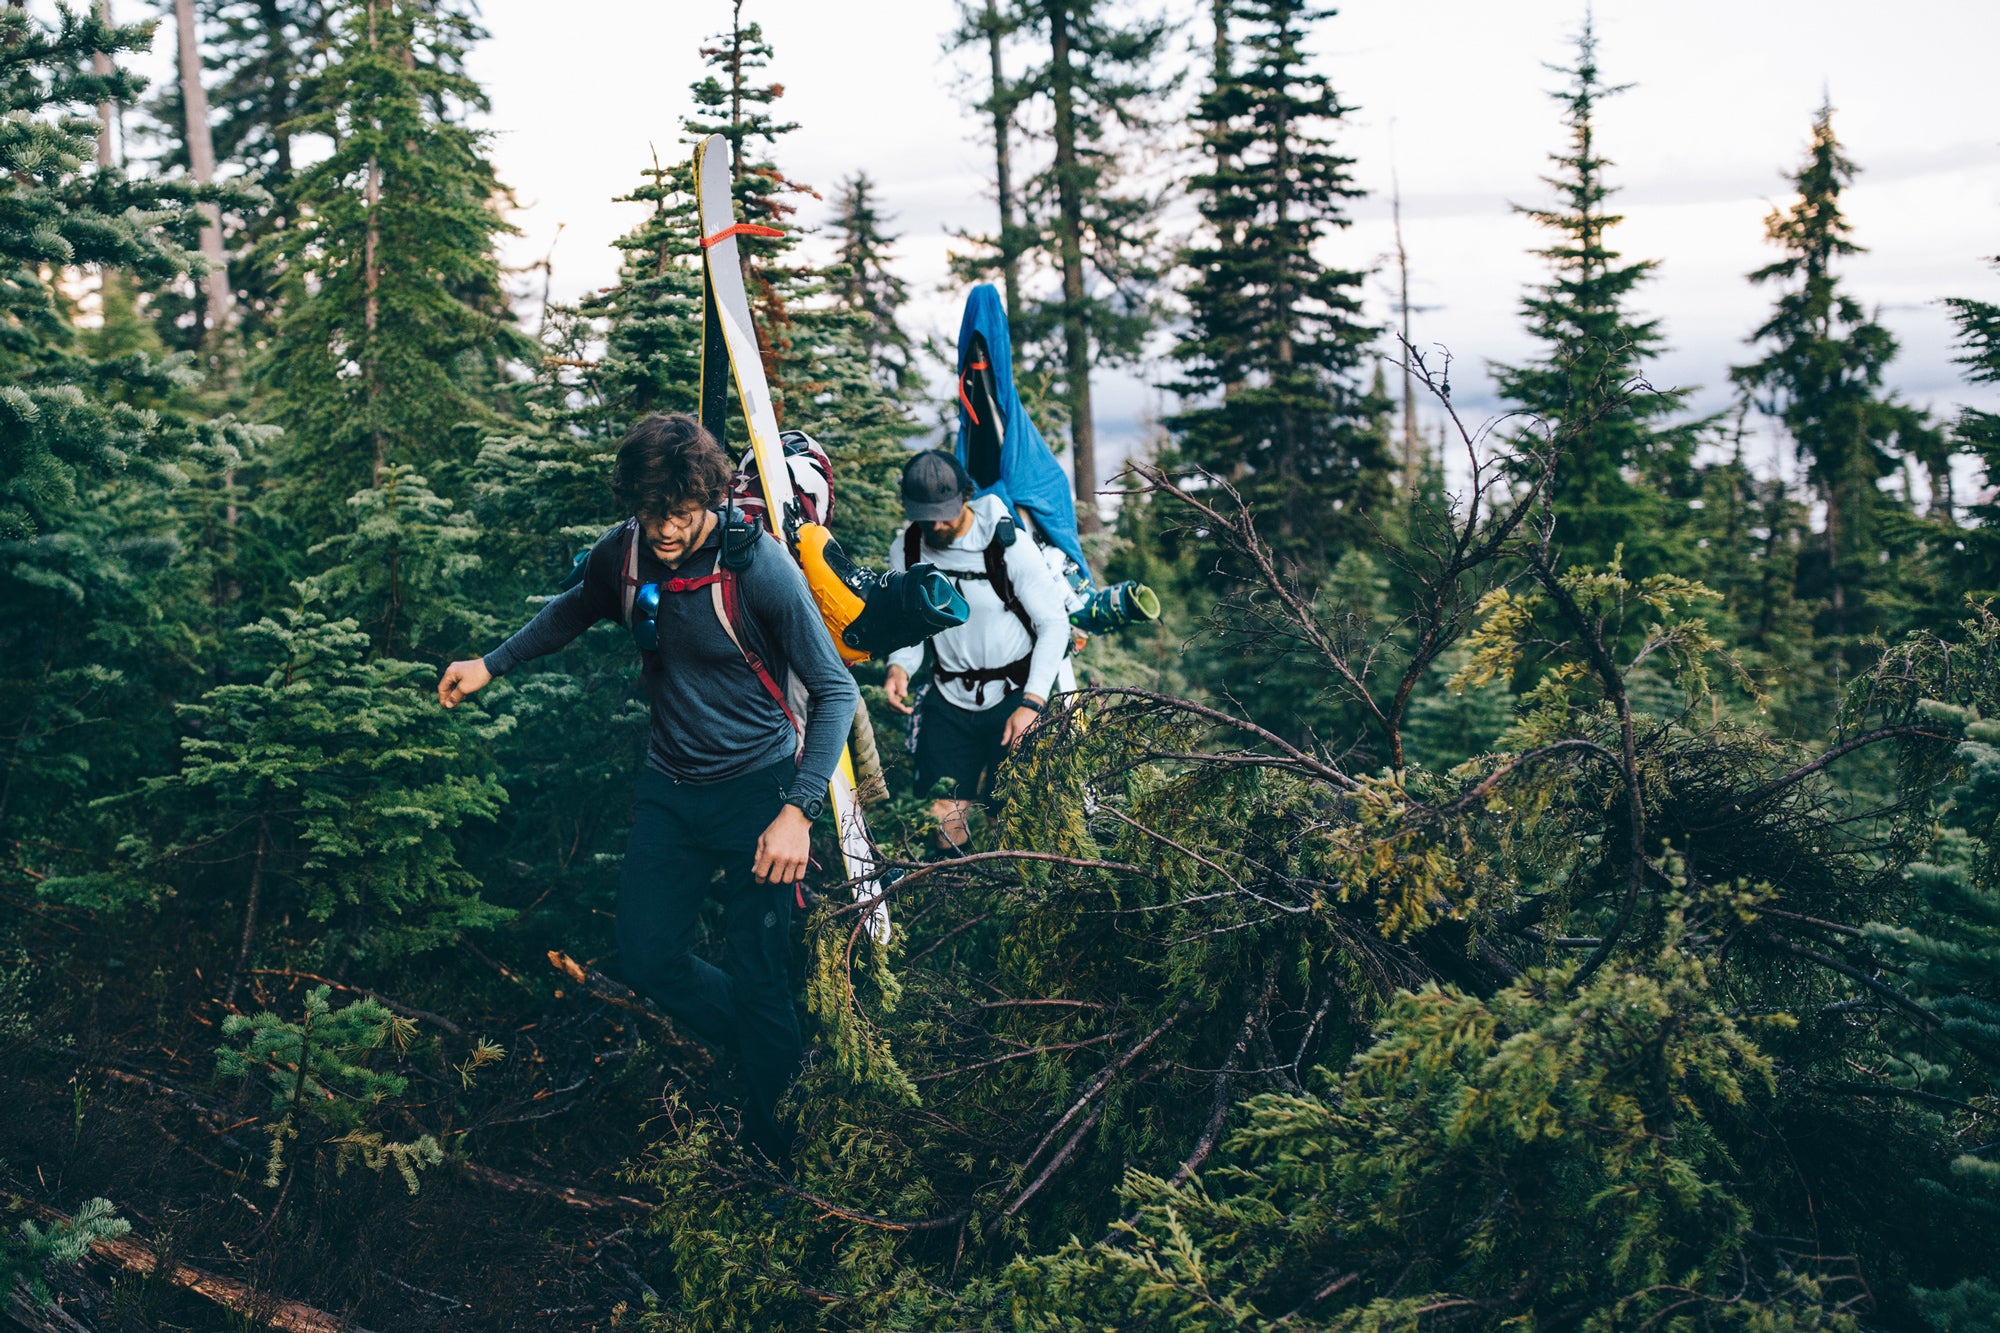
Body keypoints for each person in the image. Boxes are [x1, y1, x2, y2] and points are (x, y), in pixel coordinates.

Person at [436, 413, 859, 1162]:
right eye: (650, 511)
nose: (664, 528)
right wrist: (490, 663)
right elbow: (576, 607)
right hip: (670, 787)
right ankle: (771, 1047)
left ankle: (785, 1149)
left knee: (760, 972)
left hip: (760, 791)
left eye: (680, 512)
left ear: (710, 496)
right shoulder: (625, 552)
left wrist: (796, 811)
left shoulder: (756, 567)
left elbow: (835, 691)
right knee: (648, 953)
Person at [882, 450, 1070, 851]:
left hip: (1014, 696)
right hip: (948, 699)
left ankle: (1010, 899)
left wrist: (1033, 703)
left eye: (945, 512)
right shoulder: (908, 549)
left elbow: (1054, 623)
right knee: (943, 817)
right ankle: (952, 899)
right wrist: (899, 667)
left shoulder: (1007, 545)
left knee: (1010, 815)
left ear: (965, 496)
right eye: (926, 514)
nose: (937, 523)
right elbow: (909, 626)